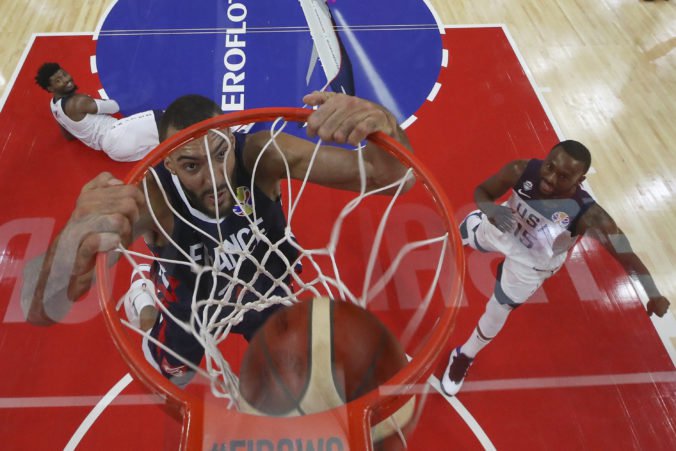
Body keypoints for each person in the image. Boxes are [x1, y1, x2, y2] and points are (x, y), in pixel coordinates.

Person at [22, 91, 414, 386]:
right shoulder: (151, 200)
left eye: (219, 152)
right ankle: (143, 303)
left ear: (230, 137)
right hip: (194, 306)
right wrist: (72, 237)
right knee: (175, 377)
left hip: (267, 289)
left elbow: (396, 178)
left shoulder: (262, 156)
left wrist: (384, 125)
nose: (213, 178)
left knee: (299, 376)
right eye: (192, 165)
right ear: (168, 161)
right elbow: (42, 309)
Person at [441, 140, 671, 396]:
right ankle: (474, 226)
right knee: (472, 235)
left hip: (533, 262)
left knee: (499, 308)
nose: (550, 178)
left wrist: (653, 293)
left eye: (563, 176)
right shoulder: (521, 170)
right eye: (549, 167)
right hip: (503, 226)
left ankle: (464, 355)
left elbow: (627, 256)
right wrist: (490, 209)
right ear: (546, 158)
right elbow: (482, 191)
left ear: (579, 179)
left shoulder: (590, 216)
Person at [34, 62, 161, 162]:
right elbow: (115, 106)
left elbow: (68, 135)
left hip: (115, 153)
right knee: (167, 118)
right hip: (117, 134)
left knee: (165, 146)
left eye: (64, 74)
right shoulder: (79, 102)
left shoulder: (54, 106)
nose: (66, 80)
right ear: (50, 88)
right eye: (58, 81)